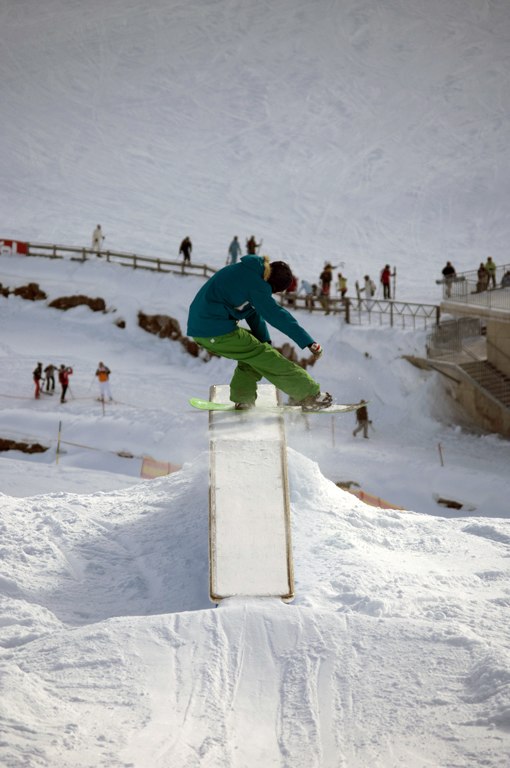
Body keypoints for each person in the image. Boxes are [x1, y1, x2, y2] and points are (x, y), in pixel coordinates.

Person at [187, 254, 332, 410]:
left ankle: (244, 399)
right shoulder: (257, 285)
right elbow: (277, 315)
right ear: (274, 286)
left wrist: (264, 340)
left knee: (254, 354)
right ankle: (309, 396)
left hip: (206, 326)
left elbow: (251, 312)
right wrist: (308, 341)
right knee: (268, 357)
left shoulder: (250, 271)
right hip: (214, 330)